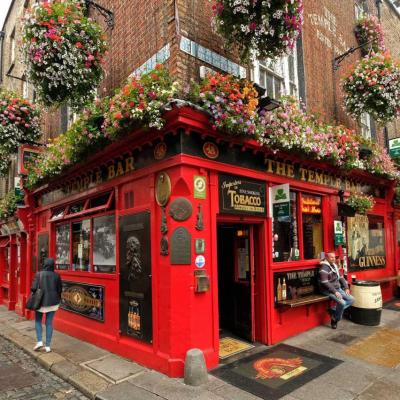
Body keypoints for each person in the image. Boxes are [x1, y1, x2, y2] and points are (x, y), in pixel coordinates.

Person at [31, 258, 62, 352]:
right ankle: (48, 346)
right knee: (49, 323)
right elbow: (59, 289)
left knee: (38, 321)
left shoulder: (39, 274)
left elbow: (33, 288)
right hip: (53, 302)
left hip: (40, 302)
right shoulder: (57, 275)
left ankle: (39, 341)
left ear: (44, 264)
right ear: (53, 265)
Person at [319, 252, 354, 329]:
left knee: (351, 299)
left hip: (337, 288)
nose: (333, 259)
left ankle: (333, 311)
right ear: (327, 258)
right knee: (342, 302)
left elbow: (341, 277)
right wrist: (335, 292)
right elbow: (325, 282)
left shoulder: (334, 266)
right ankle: (335, 320)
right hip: (327, 290)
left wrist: (346, 287)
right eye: (331, 257)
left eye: (334, 257)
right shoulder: (323, 268)